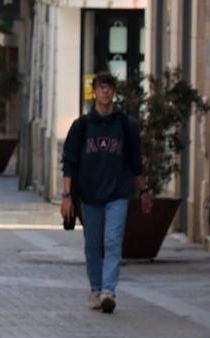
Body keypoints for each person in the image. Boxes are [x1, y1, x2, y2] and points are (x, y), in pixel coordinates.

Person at [61, 72, 152, 314]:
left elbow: (135, 162)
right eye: (101, 88)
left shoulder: (126, 125)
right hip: (89, 196)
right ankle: (95, 287)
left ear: (114, 92)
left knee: (112, 241)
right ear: (94, 92)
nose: (105, 92)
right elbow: (68, 162)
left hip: (117, 194)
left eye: (109, 88)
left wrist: (144, 190)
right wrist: (67, 196)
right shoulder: (81, 126)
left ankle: (109, 291)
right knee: (92, 244)